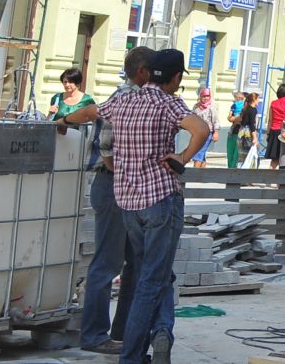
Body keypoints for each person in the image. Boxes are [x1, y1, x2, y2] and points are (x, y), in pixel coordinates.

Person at [61, 49, 208, 364]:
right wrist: (181, 158)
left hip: (128, 203)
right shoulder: (168, 103)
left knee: (146, 274)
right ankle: (139, 349)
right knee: (153, 279)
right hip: (160, 200)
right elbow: (202, 129)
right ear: (176, 78)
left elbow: (89, 114)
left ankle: (148, 340)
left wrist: (61, 120)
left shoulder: (123, 100)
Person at [78, 46, 152, 354]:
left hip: (127, 187)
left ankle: (123, 331)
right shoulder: (122, 100)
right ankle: (94, 334)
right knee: (107, 263)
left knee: (134, 262)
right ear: (143, 72)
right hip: (113, 187)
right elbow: (108, 154)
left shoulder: (141, 99)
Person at [267, 84, 285, 168]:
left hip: (274, 131)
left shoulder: (273, 103)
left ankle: (269, 178)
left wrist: (268, 133)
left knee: (274, 158)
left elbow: (270, 119)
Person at [190, 89, 217, 166]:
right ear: (200, 96)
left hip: (207, 133)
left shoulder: (212, 107)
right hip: (197, 133)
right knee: (201, 152)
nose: (206, 98)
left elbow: (215, 120)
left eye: (208, 96)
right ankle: (202, 173)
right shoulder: (196, 106)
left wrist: (216, 132)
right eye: (204, 96)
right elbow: (193, 118)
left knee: (199, 151)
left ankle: (195, 173)